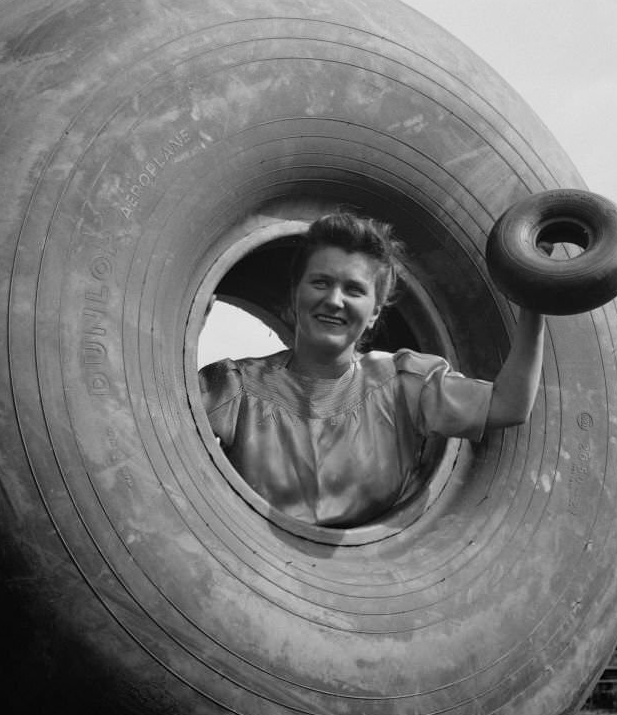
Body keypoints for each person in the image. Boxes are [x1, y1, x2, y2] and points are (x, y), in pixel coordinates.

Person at [199, 210, 545, 529]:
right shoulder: (237, 387)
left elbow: (509, 405)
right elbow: (155, 431)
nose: (334, 300)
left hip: (373, 585)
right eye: (320, 282)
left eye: (354, 290)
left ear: (375, 312)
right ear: (295, 294)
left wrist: (536, 300)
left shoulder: (404, 383)